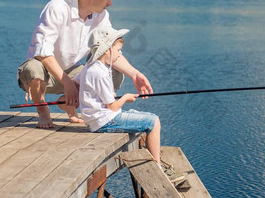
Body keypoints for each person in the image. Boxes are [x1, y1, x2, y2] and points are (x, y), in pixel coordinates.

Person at [17, 0, 153, 129]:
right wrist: (67, 83)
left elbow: (109, 52)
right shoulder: (58, 8)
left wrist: (135, 74)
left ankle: (70, 104)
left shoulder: (101, 16)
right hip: (42, 73)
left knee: (113, 72)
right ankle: (43, 111)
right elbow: (43, 53)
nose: (110, 3)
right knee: (33, 68)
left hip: (70, 72)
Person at [76, 28, 185, 184]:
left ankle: (155, 162)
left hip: (96, 119)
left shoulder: (89, 67)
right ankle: (158, 169)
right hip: (106, 121)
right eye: (118, 50)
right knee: (153, 122)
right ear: (107, 50)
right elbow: (113, 107)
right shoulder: (100, 73)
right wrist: (126, 97)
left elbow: (86, 89)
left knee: (137, 114)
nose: (120, 55)